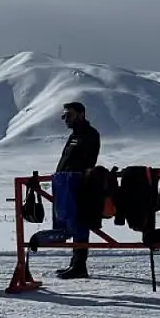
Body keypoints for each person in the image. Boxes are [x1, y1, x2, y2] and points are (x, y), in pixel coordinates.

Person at [54, 101, 100, 279]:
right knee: (71, 223)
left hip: (80, 185)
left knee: (80, 224)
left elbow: (86, 160)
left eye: (69, 115)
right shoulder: (74, 135)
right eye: (64, 116)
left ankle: (80, 265)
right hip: (65, 184)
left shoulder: (90, 134)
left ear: (81, 114)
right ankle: (75, 262)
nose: (66, 119)